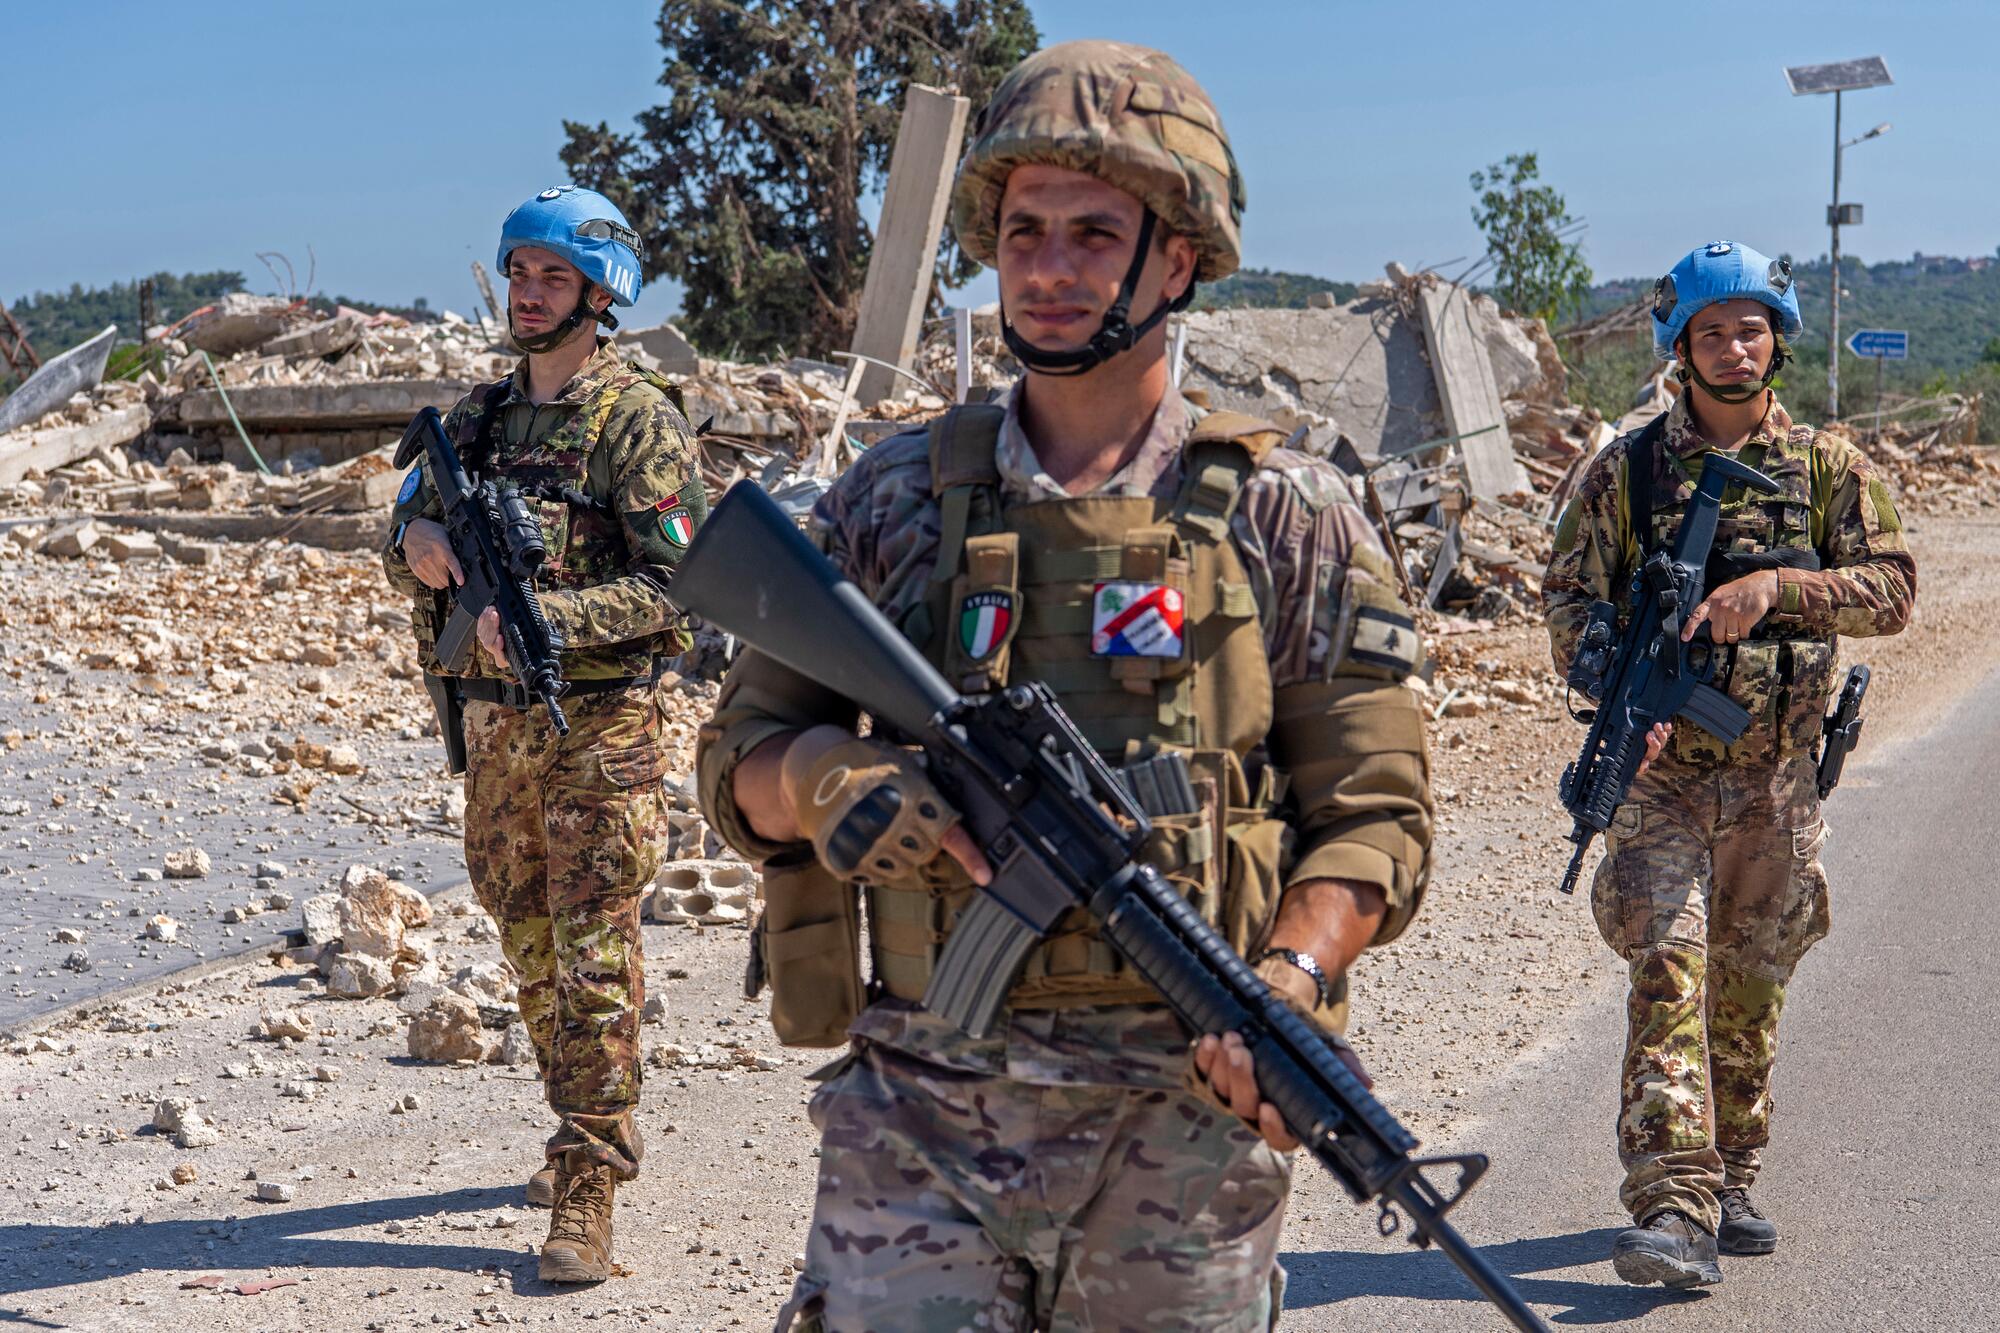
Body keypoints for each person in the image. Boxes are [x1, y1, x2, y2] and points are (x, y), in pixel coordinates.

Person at [693, 41, 1434, 1332]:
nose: (1046, 265)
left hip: (1184, 1123)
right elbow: (741, 757)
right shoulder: (894, 497)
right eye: (1024, 229)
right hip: (920, 1108)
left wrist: (1289, 985)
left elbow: (1377, 817)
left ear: (1180, 258)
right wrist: (820, 782)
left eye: (1095, 233)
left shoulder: (1288, 515)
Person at [1544, 240, 1915, 1288]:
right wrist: (1612, 684)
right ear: (1678, 346)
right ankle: (1672, 1199)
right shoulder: (1623, 471)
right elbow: (1565, 600)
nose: (1731, 347)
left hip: (1774, 781)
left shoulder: (1830, 469)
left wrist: (1774, 593)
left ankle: (1730, 1169)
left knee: (1747, 985)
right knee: (1666, 965)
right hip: (1664, 779)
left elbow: (1890, 588)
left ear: (1776, 338)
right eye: (1709, 331)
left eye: (1748, 327)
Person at [381, 185, 706, 1283]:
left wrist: (542, 622)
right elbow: (402, 528)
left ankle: (588, 1169)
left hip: (600, 726)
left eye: (552, 277)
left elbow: (676, 588)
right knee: (524, 937)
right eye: (519, 272)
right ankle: (588, 1108)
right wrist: (418, 539)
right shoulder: (471, 420)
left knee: (594, 951)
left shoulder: (634, 420)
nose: (527, 293)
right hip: (495, 734)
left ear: (598, 292)